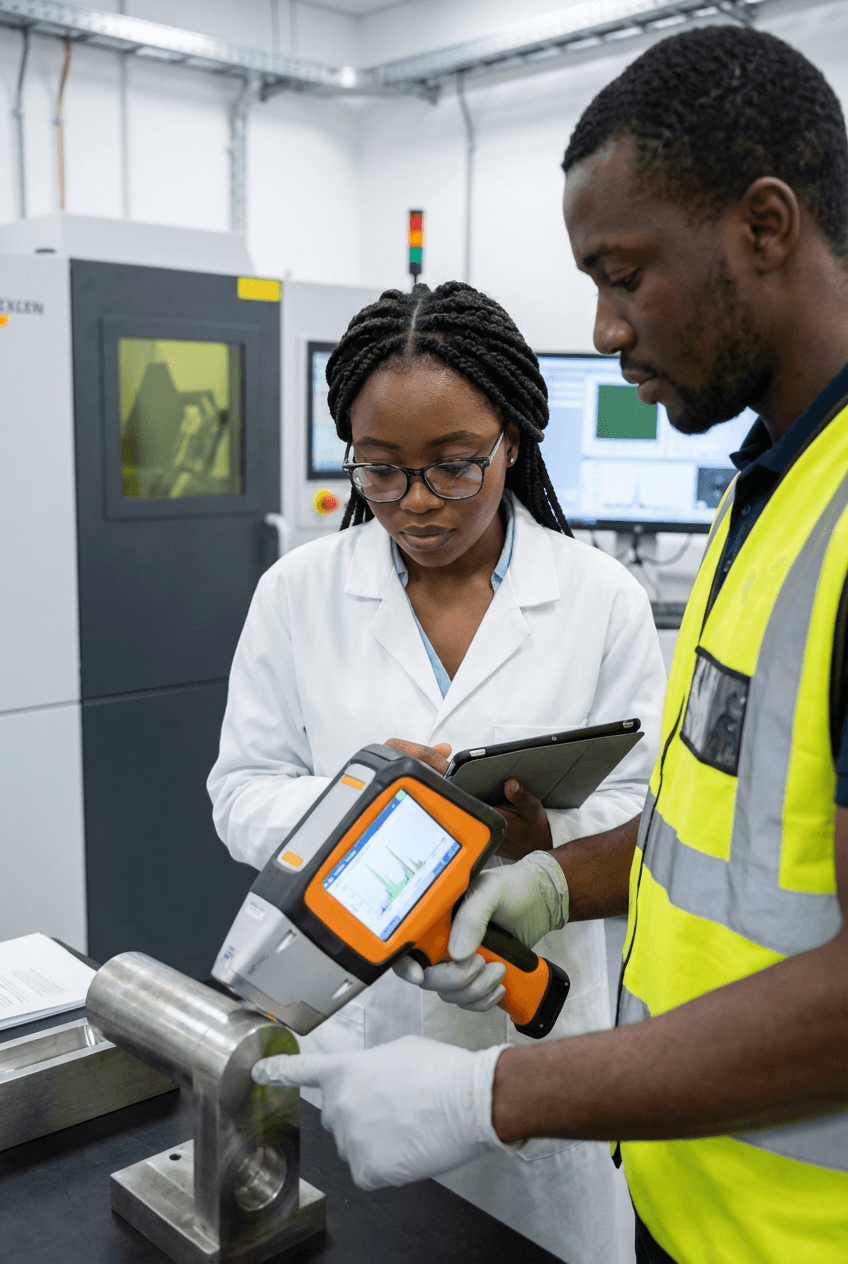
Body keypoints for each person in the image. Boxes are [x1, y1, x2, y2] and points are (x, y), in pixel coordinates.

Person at [253, 26, 848, 1264]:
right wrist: (539, 882)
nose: (604, 327)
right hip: (688, 1193)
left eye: (622, 274)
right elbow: (710, 834)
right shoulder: (766, 497)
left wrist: (496, 1094)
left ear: (764, 224)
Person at [208, 281, 666, 1263]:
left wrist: (538, 858)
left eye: (453, 467)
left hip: (534, 1035)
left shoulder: (600, 601)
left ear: (511, 440)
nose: (414, 503)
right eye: (379, 472)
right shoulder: (297, 594)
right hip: (350, 1033)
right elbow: (240, 790)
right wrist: (365, 800)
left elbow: (645, 812)